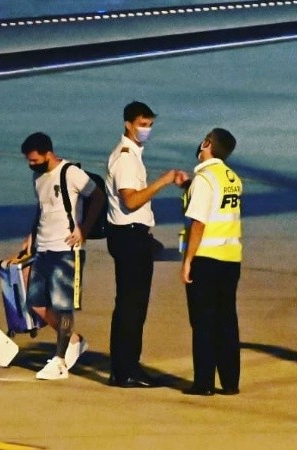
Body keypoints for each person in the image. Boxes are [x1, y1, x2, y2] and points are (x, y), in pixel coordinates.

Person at [105, 101, 187, 388]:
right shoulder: (126, 158)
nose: (146, 130)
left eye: (150, 125)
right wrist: (163, 181)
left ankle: (126, 366)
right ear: (128, 124)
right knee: (131, 306)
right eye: (142, 124)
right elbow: (131, 200)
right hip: (129, 236)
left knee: (132, 304)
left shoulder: (131, 154)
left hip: (132, 235)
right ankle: (125, 369)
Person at [17, 132, 105, 380]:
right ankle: (74, 341)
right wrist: (31, 236)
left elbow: (97, 196)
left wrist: (84, 229)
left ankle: (59, 361)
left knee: (62, 306)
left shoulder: (70, 173)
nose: (30, 164)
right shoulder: (38, 177)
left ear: (48, 153)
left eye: (34, 159)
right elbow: (42, 209)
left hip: (66, 249)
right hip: (43, 248)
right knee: (35, 304)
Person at [179, 128, 242, 396]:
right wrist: (187, 186)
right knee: (227, 320)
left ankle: (203, 382)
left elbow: (199, 223)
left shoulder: (204, 179)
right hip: (231, 258)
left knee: (203, 322)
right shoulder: (232, 178)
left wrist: (188, 260)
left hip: (206, 258)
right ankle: (230, 382)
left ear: (207, 143)